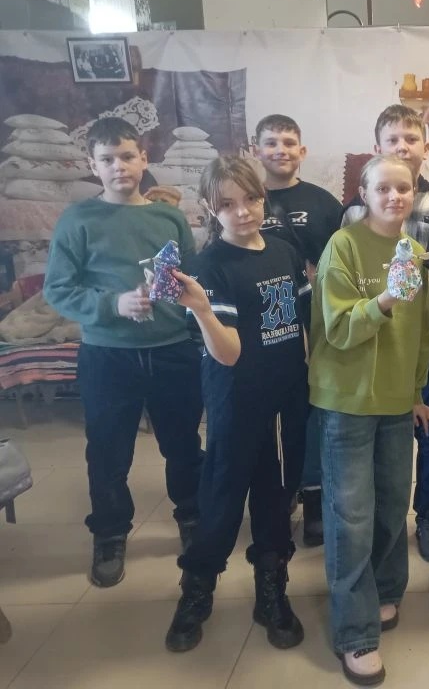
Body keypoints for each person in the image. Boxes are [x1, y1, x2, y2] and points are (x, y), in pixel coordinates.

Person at [44, 117, 203, 589]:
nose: (119, 167)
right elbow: (58, 289)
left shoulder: (169, 219)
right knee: (108, 451)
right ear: (92, 165)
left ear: (144, 159)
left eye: (128, 156)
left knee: (183, 444)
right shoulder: (78, 220)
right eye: (107, 159)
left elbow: (191, 281)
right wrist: (112, 304)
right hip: (108, 355)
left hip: (172, 350)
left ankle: (192, 516)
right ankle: (110, 532)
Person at [165, 157, 309, 653]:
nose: (243, 211)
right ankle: (197, 588)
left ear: (263, 197)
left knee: (276, 498)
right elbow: (228, 354)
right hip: (236, 399)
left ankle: (271, 590)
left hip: (286, 398)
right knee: (222, 499)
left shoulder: (285, 252)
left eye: (250, 199)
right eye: (227, 204)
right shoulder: (209, 267)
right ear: (210, 208)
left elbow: (304, 324)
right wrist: (203, 310)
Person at [309, 155, 429, 686]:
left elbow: (423, 331)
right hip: (346, 402)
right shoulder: (343, 246)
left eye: (403, 188)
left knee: (391, 505)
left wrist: (415, 392)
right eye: (382, 188)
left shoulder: (415, 253)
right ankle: (355, 632)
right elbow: (337, 328)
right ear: (364, 192)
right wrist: (383, 299)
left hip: (394, 404)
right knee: (351, 517)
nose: (394, 197)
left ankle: (384, 590)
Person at [342, 104, 429, 564]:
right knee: (381, 443)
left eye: (411, 139)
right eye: (392, 140)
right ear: (376, 147)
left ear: (426, 147)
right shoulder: (355, 211)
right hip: (375, 346)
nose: (402, 147)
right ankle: (379, 520)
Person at [254, 113, 344, 547]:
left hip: (314, 319)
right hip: (258, 322)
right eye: (271, 142)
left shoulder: (323, 203)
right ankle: (276, 493)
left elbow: (344, 257)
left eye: (289, 142)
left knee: (307, 413)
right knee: (261, 412)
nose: (280, 150)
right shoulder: (245, 198)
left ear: (302, 150)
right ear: (255, 150)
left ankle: (312, 497)